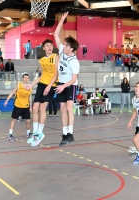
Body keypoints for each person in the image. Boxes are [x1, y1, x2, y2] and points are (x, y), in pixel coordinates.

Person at [25, 39, 59, 147]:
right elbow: (42, 75)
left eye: (50, 45)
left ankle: (40, 133)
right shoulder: (42, 60)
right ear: (43, 48)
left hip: (52, 85)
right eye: (47, 46)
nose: (49, 47)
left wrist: (49, 86)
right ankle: (35, 133)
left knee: (42, 108)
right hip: (42, 84)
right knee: (35, 108)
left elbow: (56, 74)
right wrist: (32, 84)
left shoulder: (55, 57)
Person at [54, 12, 80, 146]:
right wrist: (62, 20)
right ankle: (65, 134)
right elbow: (55, 35)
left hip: (70, 85)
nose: (63, 46)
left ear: (71, 48)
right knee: (62, 110)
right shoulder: (62, 52)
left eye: (65, 45)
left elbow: (74, 78)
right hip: (61, 84)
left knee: (70, 109)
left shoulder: (74, 61)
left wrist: (63, 86)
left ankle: (70, 133)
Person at [4, 74, 32, 141]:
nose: (26, 79)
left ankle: (28, 133)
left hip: (25, 106)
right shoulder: (18, 85)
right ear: (23, 78)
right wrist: (7, 100)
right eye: (25, 78)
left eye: (27, 78)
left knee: (28, 121)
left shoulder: (30, 87)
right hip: (18, 106)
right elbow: (12, 93)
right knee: (14, 120)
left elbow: (30, 97)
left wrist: (30, 107)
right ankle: (10, 135)